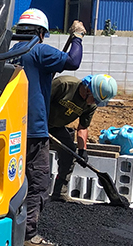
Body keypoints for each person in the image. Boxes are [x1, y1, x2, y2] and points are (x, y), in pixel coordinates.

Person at [12, 9, 84, 246]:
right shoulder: (39, 50)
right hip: (33, 131)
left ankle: (6, 228)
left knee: (12, 180)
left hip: (8, 127)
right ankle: (28, 234)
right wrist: (77, 37)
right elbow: (72, 61)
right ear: (41, 32)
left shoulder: (6, 50)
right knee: (39, 182)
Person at [49, 73, 117, 202]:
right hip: (36, 123)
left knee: (69, 155)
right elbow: (36, 101)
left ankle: (59, 193)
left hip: (56, 126)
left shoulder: (91, 105)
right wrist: (38, 124)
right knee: (34, 156)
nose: (94, 103)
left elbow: (83, 127)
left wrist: (82, 150)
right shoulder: (64, 85)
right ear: (88, 90)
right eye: (95, 99)